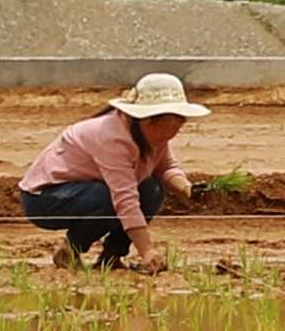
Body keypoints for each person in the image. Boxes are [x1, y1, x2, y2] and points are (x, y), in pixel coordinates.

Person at [19, 72, 205, 269]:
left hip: (87, 192)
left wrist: (187, 189)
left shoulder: (153, 136)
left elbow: (166, 168)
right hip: (45, 199)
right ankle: (70, 251)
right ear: (146, 120)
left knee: (152, 189)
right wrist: (148, 251)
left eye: (178, 126)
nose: (172, 134)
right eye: (169, 126)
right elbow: (125, 199)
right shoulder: (112, 138)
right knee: (110, 199)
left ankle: (111, 258)